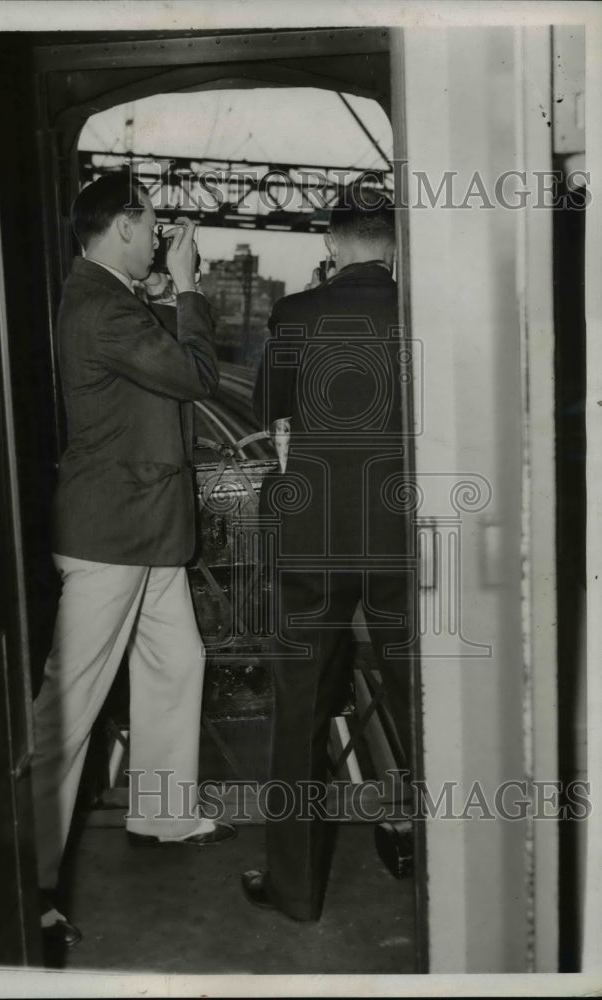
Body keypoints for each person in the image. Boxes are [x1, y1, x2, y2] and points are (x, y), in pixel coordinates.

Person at [32, 171, 235, 952]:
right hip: (110, 536)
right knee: (68, 708)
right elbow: (194, 375)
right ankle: (33, 882)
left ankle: (163, 810)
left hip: (139, 527)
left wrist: (165, 285)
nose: (159, 236)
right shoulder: (100, 305)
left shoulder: (106, 296)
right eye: (150, 223)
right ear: (121, 224)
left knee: (178, 660)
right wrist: (188, 286)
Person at [243, 193, 415, 922]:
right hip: (402, 537)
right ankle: (446, 867)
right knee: (425, 706)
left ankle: (295, 888)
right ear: (394, 248)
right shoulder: (421, 309)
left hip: (311, 538)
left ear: (333, 245)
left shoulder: (296, 315)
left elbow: (267, 412)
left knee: (302, 712)